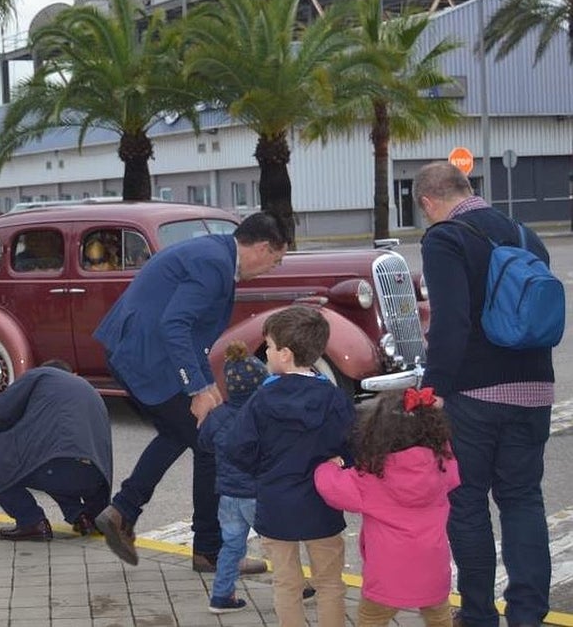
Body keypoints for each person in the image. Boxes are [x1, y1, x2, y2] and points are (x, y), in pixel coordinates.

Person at [92, 211, 288, 572]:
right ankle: (209, 552)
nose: (271, 269)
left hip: (139, 350)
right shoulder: (214, 265)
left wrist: (207, 383)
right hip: (145, 355)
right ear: (262, 248)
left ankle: (122, 511)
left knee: (180, 432)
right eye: (275, 261)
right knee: (210, 441)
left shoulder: (215, 255)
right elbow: (175, 324)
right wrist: (197, 387)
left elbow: (191, 333)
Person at [413, 160, 554, 627]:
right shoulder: (523, 234)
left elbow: (450, 323)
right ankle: (528, 614)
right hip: (535, 388)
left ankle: (477, 615)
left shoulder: (446, 237)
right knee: (522, 500)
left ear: (428, 201)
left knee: (467, 501)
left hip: (475, 394)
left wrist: (433, 389)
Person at [225, 306, 354, 627]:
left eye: (268, 346)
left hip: (275, 502)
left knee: (286, 582)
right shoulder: (333, 398)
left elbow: (236, 447)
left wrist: (262, 470)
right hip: (321, 502)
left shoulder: (261, 400)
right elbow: (356, 442)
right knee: (329, 583)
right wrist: (341, 461)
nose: (265, 352)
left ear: (284, 354)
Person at [315, 388, 460, 627]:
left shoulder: (372, 475)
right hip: (433, 568)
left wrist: (328, 467)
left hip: (385, 575)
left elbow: (330, 487)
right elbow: (454, 473)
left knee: (371, 620)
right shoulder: (442, 465)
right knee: (439, 617)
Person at [0, 359, 112, 541]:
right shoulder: (91, 391)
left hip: (54, 468)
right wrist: (98, 513)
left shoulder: (38, 376)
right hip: (94, 479)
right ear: (72, 374)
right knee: (52, 461)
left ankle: (31, 522)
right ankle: (83, 517)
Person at [196, 341, 269, 613]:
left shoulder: (218, 416)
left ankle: (221, 596)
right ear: (259, 385)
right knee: (277, 544)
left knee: (230, 546)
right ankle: (296, 585)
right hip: (257, 495)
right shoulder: (263, 416)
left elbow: (204, 442)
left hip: (228, 496)